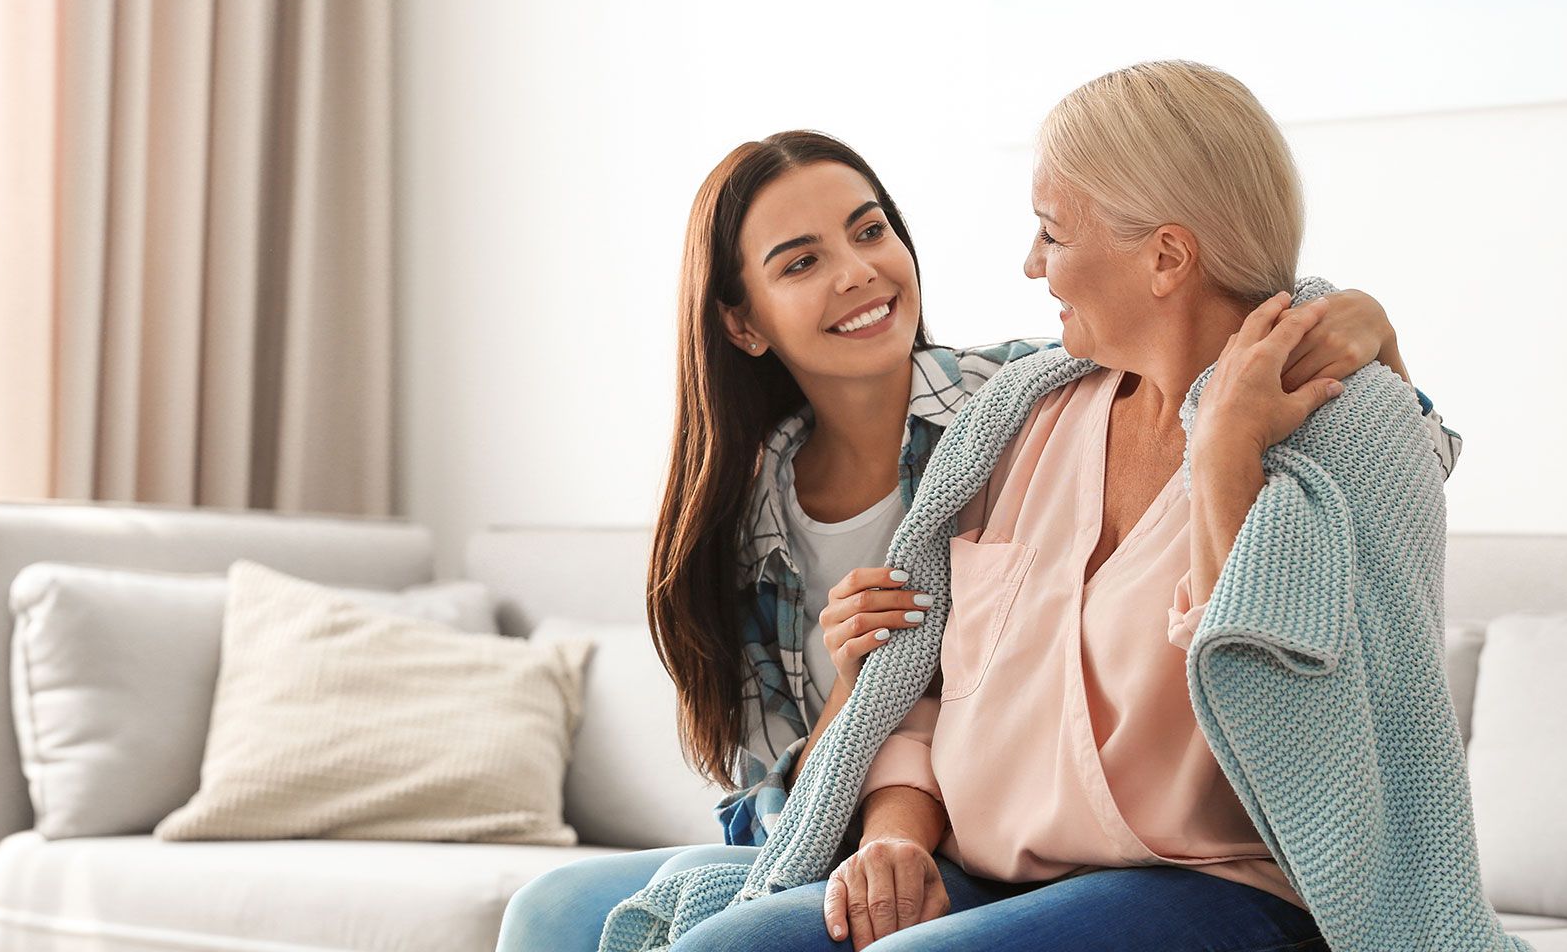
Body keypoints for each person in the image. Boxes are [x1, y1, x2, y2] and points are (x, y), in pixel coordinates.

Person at [498, 126, 1456, 952]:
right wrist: (859, 697)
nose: (856, 272)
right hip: (863, 827)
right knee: (555, 907)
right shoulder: (744, 520)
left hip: (1071, 846)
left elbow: (1263, 369)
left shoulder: (1016, 398)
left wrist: (1356, 322)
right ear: (743, 324)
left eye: (869, 231)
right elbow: (774, 811)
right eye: (800, 262)